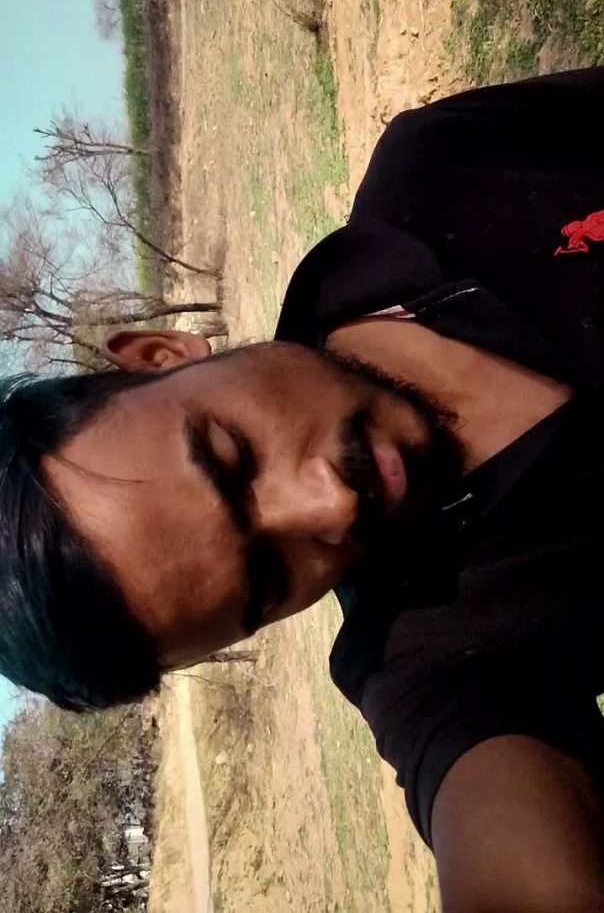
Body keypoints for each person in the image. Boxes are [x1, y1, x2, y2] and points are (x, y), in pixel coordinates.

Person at [2, 67, 604, 912]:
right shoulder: (430, 657)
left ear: (162, 356)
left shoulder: (440, 167)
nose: (330, 508)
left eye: (232, 459)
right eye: (271, 580)